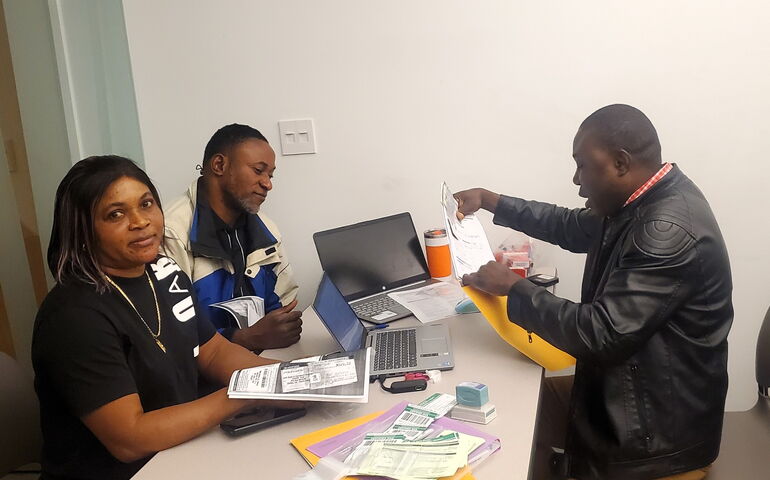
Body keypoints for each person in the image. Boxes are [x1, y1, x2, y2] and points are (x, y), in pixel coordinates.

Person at [458, 104, 732, 480]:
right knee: (512, 413)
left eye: (583, 165)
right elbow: (568, 225)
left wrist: (514, 288)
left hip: (657, 440)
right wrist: (492, 201)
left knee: (513, 433)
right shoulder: (637, 202)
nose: (576, 180)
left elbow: (601, 333)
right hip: (638, 395)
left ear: (620, 163)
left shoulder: (664, 230)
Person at [32, 156, 301, 480]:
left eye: (146, 204)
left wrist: (296, 379)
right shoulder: (73, 317)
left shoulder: (164, 272)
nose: (140, 221)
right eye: (115, 214)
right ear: (83, 230)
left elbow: (213, 351)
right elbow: (129, 439)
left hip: (183, 454)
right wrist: (245, 393)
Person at [164, 124, 301, 352]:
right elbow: (172, 335)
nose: (268, 184)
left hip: (263, 358)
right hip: (204, 376)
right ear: (219, 165)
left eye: (270, 175)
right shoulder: (172, 232)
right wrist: (244, 338)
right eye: (259, 171)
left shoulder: (266, 228)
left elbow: (285, 303)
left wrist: (284, 326)